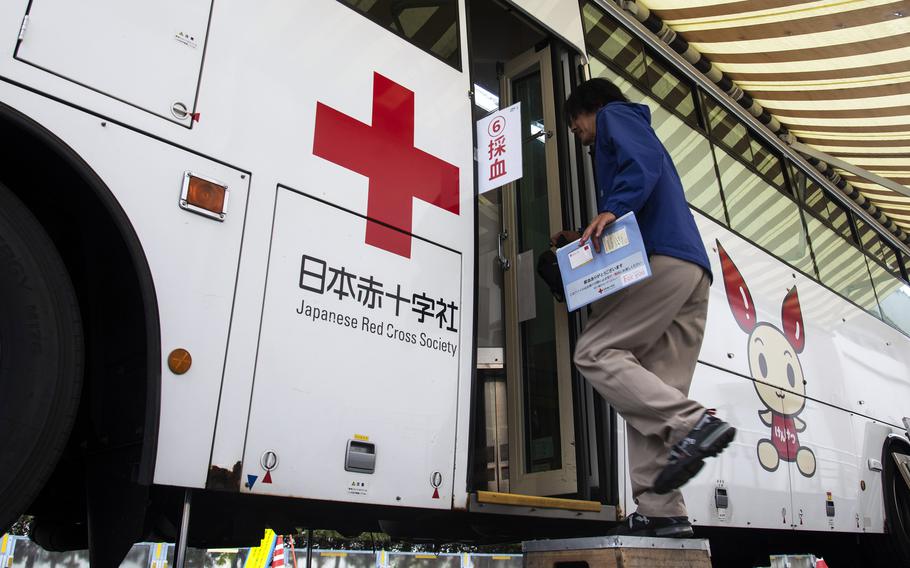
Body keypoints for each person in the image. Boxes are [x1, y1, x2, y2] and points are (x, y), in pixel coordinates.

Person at [557, 78, 735, 538]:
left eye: (576, 127)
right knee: (648, 394)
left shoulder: (616, 115)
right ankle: (664, 513)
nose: (579, 137)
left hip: (662, 259)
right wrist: (582, 233)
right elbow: (646, 176)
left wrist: (612, 207)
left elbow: (643, 164)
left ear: (589, 108)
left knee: (595, 352)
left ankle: (693, 423)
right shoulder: (631, 128)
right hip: (692, 273)